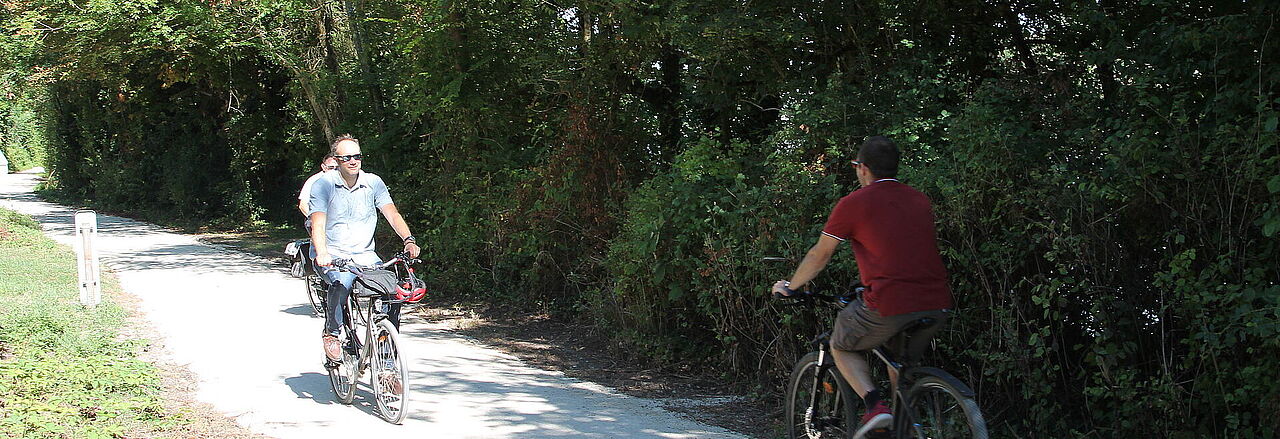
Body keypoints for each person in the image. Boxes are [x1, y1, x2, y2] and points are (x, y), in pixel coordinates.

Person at [770, 136, 953, 438]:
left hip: (889, 302)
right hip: (937, 302)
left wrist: (791, 285)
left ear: (863, 168)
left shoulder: (854, 203)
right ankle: (902, 428)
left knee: (841, 344)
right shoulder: (919, 199)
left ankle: (875, 407)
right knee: (899, 364)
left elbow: (819, 255)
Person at [308, 135, 421, 383]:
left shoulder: (373, 183)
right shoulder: (324, 184)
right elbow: (318, 222)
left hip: (366, 256)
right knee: (342, 282)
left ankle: (386, 366)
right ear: (336, 160)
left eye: (357, 156)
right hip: (333, 254)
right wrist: (323, 252)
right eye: (347, 157)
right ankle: (332, 333)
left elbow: (392, 214)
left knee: (392, 293)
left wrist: (408, 239)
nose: (353, 161)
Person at [298, 153, 338, 218]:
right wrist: (315, 220)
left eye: (337, 168)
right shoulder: (313, 181)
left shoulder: (347, 180)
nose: (334, 171)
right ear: (323, 167)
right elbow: (303, 205)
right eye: (331, 168)